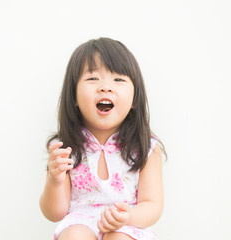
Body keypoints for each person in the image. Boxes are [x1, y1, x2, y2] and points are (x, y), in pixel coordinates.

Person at [39, 37, 166, 240]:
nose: (105, 87)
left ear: (135, 99)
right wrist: (55, 181)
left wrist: (128, 216)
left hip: (127, 225)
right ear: (73, 97)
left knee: (119, 238)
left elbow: (152, 205)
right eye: (92, 79)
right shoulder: (64, 147)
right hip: (81, 223)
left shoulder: (146, 147)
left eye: (118, 80)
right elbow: (54, 213)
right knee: (73, 236)